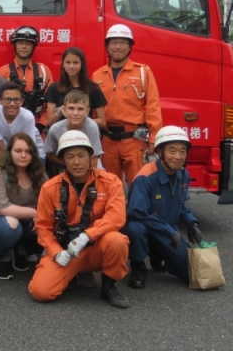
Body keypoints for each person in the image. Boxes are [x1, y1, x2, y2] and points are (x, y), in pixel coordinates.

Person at [28, 131, 130, 309]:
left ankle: (109, 286)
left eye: (81, 156)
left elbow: (117, 216)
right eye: (70, 157)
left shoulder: (111, 182)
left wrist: (87, 236)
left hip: (97, 247)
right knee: (41, 292)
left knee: (117, 240)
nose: (76, 162)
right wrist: (55, 251)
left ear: (91, 157)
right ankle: (74, 274)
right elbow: (43, 226)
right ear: (63, 160)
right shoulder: (50, 188)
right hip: (66, 251)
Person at [125, 126, 202, 289]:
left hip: (167, 228)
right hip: (148, 226)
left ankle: (157, 254)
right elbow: (136, 212)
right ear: (160, 152)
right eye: (172, 151)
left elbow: (182, 205)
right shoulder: (145, 177)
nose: (178, 156)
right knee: (136, 229)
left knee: (194, 274)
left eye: (182, 151)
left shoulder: (183, 175)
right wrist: (168, 231)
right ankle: (138, 265)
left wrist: (191, 223)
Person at [92, 24, 162, 185]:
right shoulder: (97, 75)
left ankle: (138, 212)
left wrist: (153, 139)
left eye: (123, 42)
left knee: (140, 185)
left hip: (134, 141)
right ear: (107, 47)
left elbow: (153, 107)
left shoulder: (142, 72)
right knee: (108, 186)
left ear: (130, 47)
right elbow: (93, 112)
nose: (118, 46)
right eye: (113, 42)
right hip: (107, 141)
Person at [0, 133, 47, 279]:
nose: (23, 155)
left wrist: (40, 216)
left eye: (28, 151)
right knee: (10, 226)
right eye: (18, 151)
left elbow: (49, 201)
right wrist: (34, 213)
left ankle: (21, 250)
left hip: (24, 220)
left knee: (49, 223)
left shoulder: (39, 174)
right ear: (9, 152)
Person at [0, 26, 53, 127]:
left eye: (28, 44)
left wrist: (41, 125)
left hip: (37, 126)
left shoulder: (44, 71)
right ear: (15, 46)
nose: (24, 47)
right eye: (20, 43)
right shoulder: (3, 72)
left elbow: (51, 103)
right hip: (9, 126)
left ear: (33, 47)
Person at [43, 90, 103, 173]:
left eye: (80, 109)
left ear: (87, 111)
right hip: (64, 166)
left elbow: (94, 159)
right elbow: (49, 153)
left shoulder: (92, 127)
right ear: (64, 110)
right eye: (71, 108)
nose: (75, 113)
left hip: (89, 164)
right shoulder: (55, 129)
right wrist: (67, 164)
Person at [45, 47, 106, 128]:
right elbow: (50, 122)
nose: (71, 66)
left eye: (76, 62)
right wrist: (60, 111)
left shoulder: (93, 88)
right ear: (62, 64)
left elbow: (102, 122)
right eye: (68, 62)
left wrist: (81, 121)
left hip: (85, 137)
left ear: (82, 65)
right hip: (61, 137)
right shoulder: (54, 88)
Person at [0, 81, 44, 160]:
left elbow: (28, 148)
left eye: (16, 100)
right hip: (11, 150)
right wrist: (3, 168)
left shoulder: (28, 117)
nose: (12, 104)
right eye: (7, 99)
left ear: (22, 102)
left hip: (33, 151)